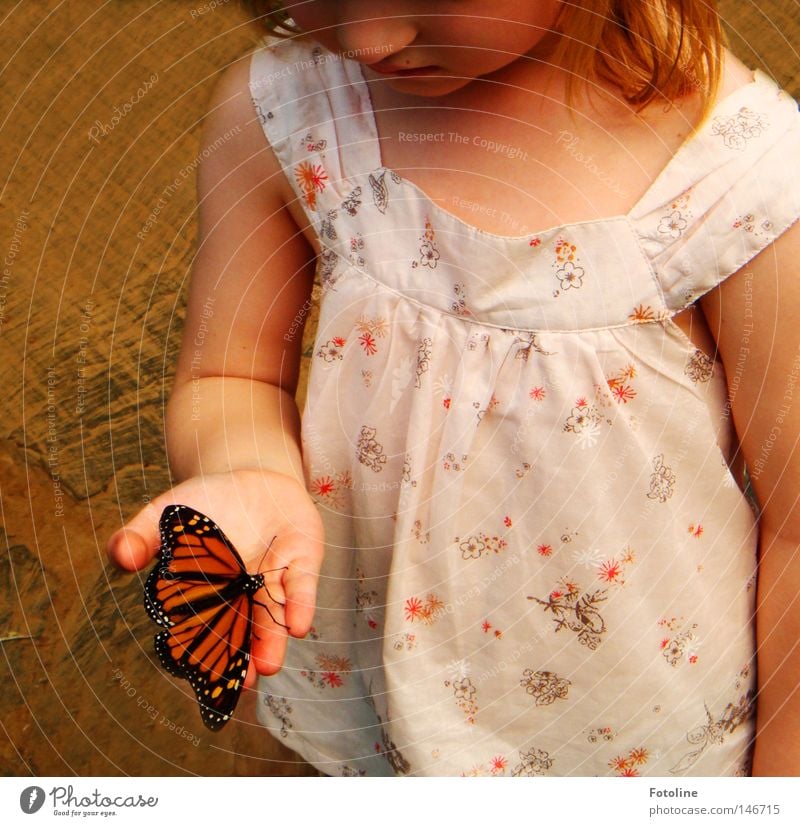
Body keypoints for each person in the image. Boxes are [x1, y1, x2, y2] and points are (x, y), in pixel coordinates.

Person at [107, 1, 800, 776]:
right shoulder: (294, 111)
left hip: (634, 749)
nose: (368, 39)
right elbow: (229, 373)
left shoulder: (736, 182)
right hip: (364, 703)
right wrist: (249, 469)